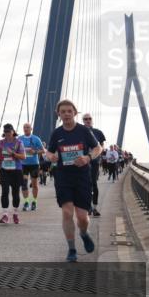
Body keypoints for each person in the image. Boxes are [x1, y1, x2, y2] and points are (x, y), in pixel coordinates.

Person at [46, 100, 102, 262]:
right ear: (59, 114)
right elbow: (48, 153)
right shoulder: (56, 133)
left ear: (74, 113)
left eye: (69, 111)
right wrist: (52, 157)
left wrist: (88, 157)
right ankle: (71, 249)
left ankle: (84, 233)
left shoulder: (84, 131)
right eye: (63, 111)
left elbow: (98, 148)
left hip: (82, 177)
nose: (66, 114)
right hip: (63, 177)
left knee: (82, 217)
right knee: (67, 212)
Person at [0, 124, 26, 224]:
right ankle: (5, 215)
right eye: (6, 132)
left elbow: (23, 156)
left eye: (9, 131)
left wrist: (13, 154)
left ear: (13, 131)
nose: (7, 133)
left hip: (16, 170)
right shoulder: (1, 143)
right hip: (4, 170)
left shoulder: (18, 142)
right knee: (4, 191)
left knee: (15, 193)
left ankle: (15, 213)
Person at [81, 113, 106, 216]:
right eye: (85, 119)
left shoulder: (98, 132)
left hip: (94, 162)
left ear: (92, 120)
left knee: (94, 184)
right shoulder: (79, 132)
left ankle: (94, 207)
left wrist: (96, 154)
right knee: (85, 185)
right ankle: (88, 206)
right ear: (83, 121)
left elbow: (102, 147)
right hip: (83, 162)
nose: (87, 120)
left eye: (89, 118)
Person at [19, 123, 44, 211]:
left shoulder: (36, 138)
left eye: (28, 127)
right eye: (24, 127)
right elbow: (15, 149)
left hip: (34, 164)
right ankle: (26, 202)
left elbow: (43, 150)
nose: (26, 129)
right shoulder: (19, 139)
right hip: (23, 164)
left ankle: (34, 202)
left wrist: (35, 152)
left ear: (31, 129)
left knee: (34, 184)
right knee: (24, 184)